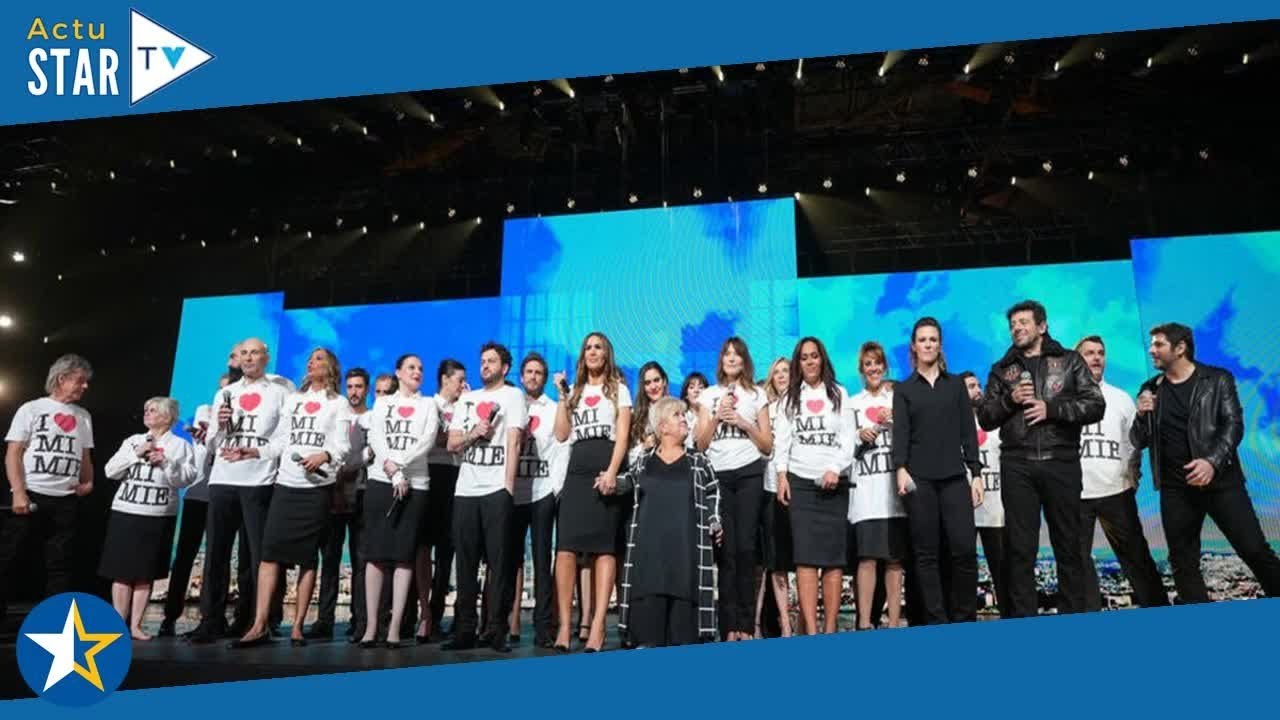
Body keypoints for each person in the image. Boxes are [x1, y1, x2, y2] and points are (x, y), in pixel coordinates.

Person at [1131, 323, 1280, 602]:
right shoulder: (1151, 389)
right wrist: (1141, 415)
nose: (1151, 350)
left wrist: (1211, 462)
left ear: (1180, 348)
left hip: (1222, 484)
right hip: (1176, 490)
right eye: (1151, 344)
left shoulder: (1217, 379)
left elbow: (1233, 425)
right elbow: (1139, 441)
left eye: (1158, 344)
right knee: (1182, 562)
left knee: (1254, 550)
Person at [976, 301, 1104, 617]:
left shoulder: (1070, 361)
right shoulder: (1001, 369)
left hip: (1061, 461)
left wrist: (1053, 409)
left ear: (1042, 326)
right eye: (1012, 325)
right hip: (1016, 465)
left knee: (1069, 547)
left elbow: (1095, 405)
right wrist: (1010, 399)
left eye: (1023, 322)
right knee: (1019, 550)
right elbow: (986, 417)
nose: (1017, 328)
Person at [229, 348, 351, 648]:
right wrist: (254, 451)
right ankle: (259, 624)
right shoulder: (294, 399)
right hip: (285, 485)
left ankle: (297, 626)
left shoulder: (338, 403)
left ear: (331, 367)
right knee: (269, 554)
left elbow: (343, 446)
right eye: (309, 358)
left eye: (319, 358)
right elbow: (281, 440)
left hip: (316, 489)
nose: (311, 362)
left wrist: (324, 455)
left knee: (308, 558)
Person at [188, 338, 291, 644]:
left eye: (254, 352)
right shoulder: (226, 393)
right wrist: (220, 426)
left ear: (266, 358)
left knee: (256, 555)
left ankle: (253, 620)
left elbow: (284, 440)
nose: (248, 358)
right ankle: (211, 620)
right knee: (215, 552)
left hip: (259, 481)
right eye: (243, 353)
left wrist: (257, 453)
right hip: (222, 479)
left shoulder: (280, 393)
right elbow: (212, 444)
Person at [610, 397, 722, 648]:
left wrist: (714, 520)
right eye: (677, 415)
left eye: (683, 415)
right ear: (662, 427)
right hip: (649, 561)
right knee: (648, 639)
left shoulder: (698, 461)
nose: (684, 419)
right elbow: (628, 481)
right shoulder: (644, 460)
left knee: (683, 639)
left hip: (685, 559)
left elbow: (713, 491)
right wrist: (611, 482)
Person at [892, 319, 983, 625]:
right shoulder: (903, 389)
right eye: (922, 339)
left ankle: (964, 618)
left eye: (933, 339)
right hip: (920, 481)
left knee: (964, 551)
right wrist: (900, 468)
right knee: (926, 555)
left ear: (940, 345)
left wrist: (976, 473)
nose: (928, 344)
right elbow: (901, 434)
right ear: (913, 346)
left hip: (954, 479)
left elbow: (968, 433)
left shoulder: (956, 385)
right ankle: (936, 620)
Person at [552, 331, 632, 652]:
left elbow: (623, 436)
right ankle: (564, 626)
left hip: (604, 467)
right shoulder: (575, 391)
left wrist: (612, 471)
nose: (592, 352)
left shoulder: (619, 390)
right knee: (565, 549)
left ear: (606, 353)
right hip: (577, 471)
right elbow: (561, 435)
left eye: (598, 347)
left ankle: (598, 626)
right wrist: (562, 397)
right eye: (587, 347)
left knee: (604, 549)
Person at [443, 342, 526, 652]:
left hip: (496, 490)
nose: (485, 365)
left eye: (491, 361)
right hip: (466, 489)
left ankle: (496, 630)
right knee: (465, 563)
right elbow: (452, 444)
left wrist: (508, 488)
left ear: (505, 368)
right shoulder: (467, 399)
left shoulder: (512, 396)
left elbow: (514, 442)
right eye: (482, 361)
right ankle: (464, 629)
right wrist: (473, 433)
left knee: (499, 563)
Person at [1074, 336, 1168, 610]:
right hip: (1075, 495)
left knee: (1137, 559)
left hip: (1117, 491)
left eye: (1100, 353)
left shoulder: (1121, 398)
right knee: (1076, 564)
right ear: (1077, 359)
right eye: (1089, 353)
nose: (1096, 357)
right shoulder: (1063, 399)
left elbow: (1133, 444)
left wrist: (1132, 477)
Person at [1, 354, 95, 623]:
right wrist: (19, 492)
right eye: (80, 380)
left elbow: (85, 455)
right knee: (9, 557)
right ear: (62, 379)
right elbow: (13, 453)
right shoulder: (31, 409)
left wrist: (88, 481)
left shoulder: (83, 416)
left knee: (60, 563)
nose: (85, 386)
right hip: (31, 494)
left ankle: (54, 621)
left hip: (66, 499)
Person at [772, 337, 855, 635]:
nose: (809, 362)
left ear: (823, 359)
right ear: (799, 363)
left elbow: (848, 438)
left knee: (832, 560)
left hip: (834, 485)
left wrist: (835, 468)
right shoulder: (789, 398)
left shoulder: (839, 394)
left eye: (814, 356)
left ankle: (830, 627)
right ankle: (810, 630)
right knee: (805, 558)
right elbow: (782, 441)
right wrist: (782, 476)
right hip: (801, 484)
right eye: (804, 357)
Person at [99, 397, 197, 640]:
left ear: (167, 416)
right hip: (126, 511)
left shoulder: (180, 445)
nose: (147, 413)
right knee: (121, 572)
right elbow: (110, 471)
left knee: (145, 573)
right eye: (146, 410)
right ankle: (118, 624)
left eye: (152, 410)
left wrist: (166, 462)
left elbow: (186, 478)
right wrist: (136, 454)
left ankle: (136, 626)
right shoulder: (133, 440)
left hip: (158, 515)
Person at [694, 337, 771, 642]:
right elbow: (700, 444)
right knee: (726, 551)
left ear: (744, 360)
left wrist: (743, 422)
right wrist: (717, 415)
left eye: (737, 354)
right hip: (719, 477)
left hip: (749, 473)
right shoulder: (708, 395)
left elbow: (767, 445)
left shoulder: (757, 394)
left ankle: (746, 625)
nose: (731, 358)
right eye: (726, 354)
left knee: (746, 549)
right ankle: (728, 626)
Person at [359, 354, 439, 648]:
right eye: (411, 368)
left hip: (416, 483)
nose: (417, 372)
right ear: (398, 373)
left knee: (405, 555)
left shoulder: (427, 404)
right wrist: (391, 470)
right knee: (375, 555)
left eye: (420, 368)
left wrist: (400, 465)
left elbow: (427, 440)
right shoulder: (383, 404)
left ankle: (394, 628)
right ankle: (371, 627)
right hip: (381, 480)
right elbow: (377, 438)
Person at [496, 352, 566, 648]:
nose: (533, 376)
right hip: (513, 494)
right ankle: (500, 627)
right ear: (521, 376)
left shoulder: (553, 408)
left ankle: (543, 629)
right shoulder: (509, 404)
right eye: (529, 372)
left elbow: (561, 447)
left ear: (544, 377)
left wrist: (554, 489)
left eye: (538, 372)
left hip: (541, 493)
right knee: (506, 562)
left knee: (541, 562)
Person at [307, 367, 372, 640]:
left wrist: (352, 466)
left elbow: (372, 452)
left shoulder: (372, 419)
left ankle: (360, 621)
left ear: (366, 389)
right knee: (330, 558)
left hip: (361, 494)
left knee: (360, 560)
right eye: (351, 386)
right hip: (333, 494)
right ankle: (324, 621)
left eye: (359, 386)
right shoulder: (336, 415)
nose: (354, 391)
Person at [849, 342, 907, 630]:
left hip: (894, 492)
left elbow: (912, 434)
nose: (873, 368)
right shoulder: (852, 403)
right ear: (862, 370)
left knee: (895, 561)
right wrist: (859, 434)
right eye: (868, 364)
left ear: (885, 366)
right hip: (865, 492)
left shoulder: (898, 398)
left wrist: (894, 418)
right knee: (867, 559)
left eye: (877, 363)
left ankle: (894, 622)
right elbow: (842, 444)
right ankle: (864, 623)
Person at [960, 372, 1012, 618]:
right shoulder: (953, 426)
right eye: (971, 386)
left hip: (996, 511)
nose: (978, 390)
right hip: (964, 512)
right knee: (963, 575)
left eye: (978, 385)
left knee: (1003, 574)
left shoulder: (997, 424)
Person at [424, 359, 466, 642]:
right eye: (459, 379)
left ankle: (440, 615)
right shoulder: (430, 405)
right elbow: (432, 438)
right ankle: (419, 617)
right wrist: (453, 437)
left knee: (448, 550)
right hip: (431, 475)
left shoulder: (465, 407)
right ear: (444, 379)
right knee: (422, 549)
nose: (463, 385)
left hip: (457, 476)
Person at [757, 357, 794, 638]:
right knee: (775, 560)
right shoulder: (765, 409)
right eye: (776, 372)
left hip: (802, 486)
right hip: (770, 488)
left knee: (803, 559)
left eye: (786, 371)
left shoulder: (803, 405)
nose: (781, 376)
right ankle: (784, 623)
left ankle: (804, 618)